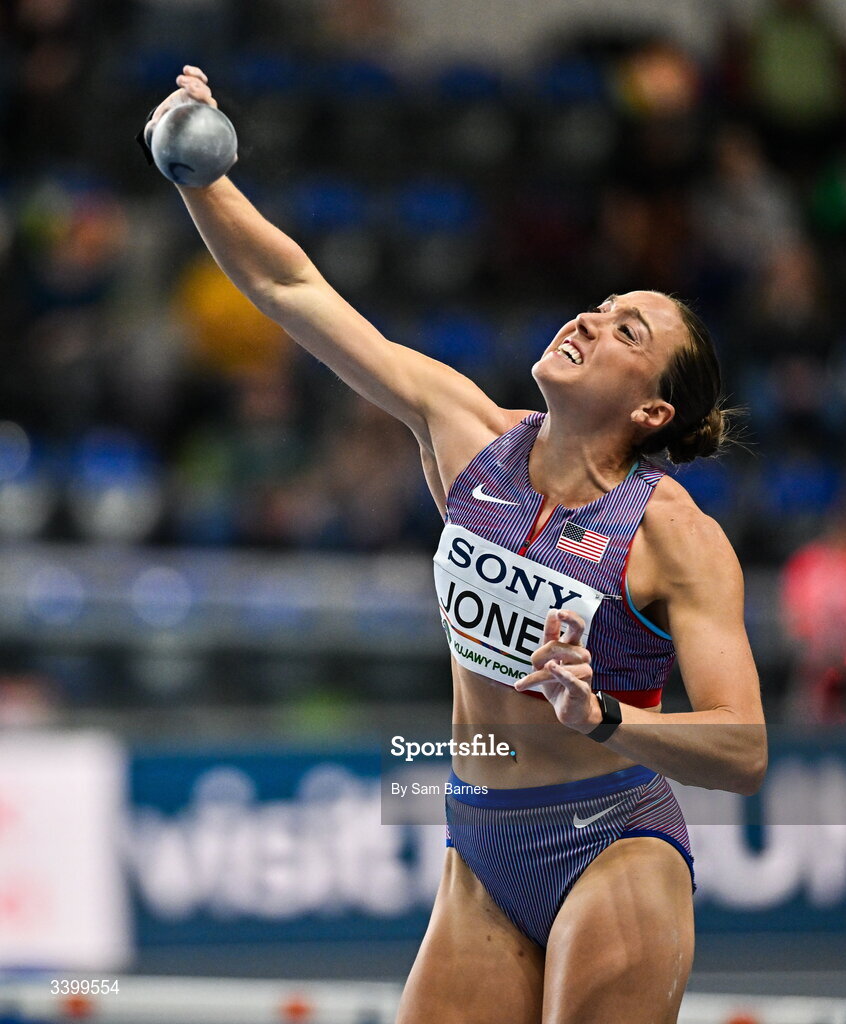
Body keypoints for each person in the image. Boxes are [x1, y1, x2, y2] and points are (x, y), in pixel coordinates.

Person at [144, 67, 767, 1024]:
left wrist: (605, 717)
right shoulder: (465, 433)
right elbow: (288, 283)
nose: (591, 320)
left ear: (652, 409)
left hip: (613, 841)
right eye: (599, 305)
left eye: (626, 330)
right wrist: (199, 176)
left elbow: (743, 746)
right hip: (478, 840)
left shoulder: (676, 536)